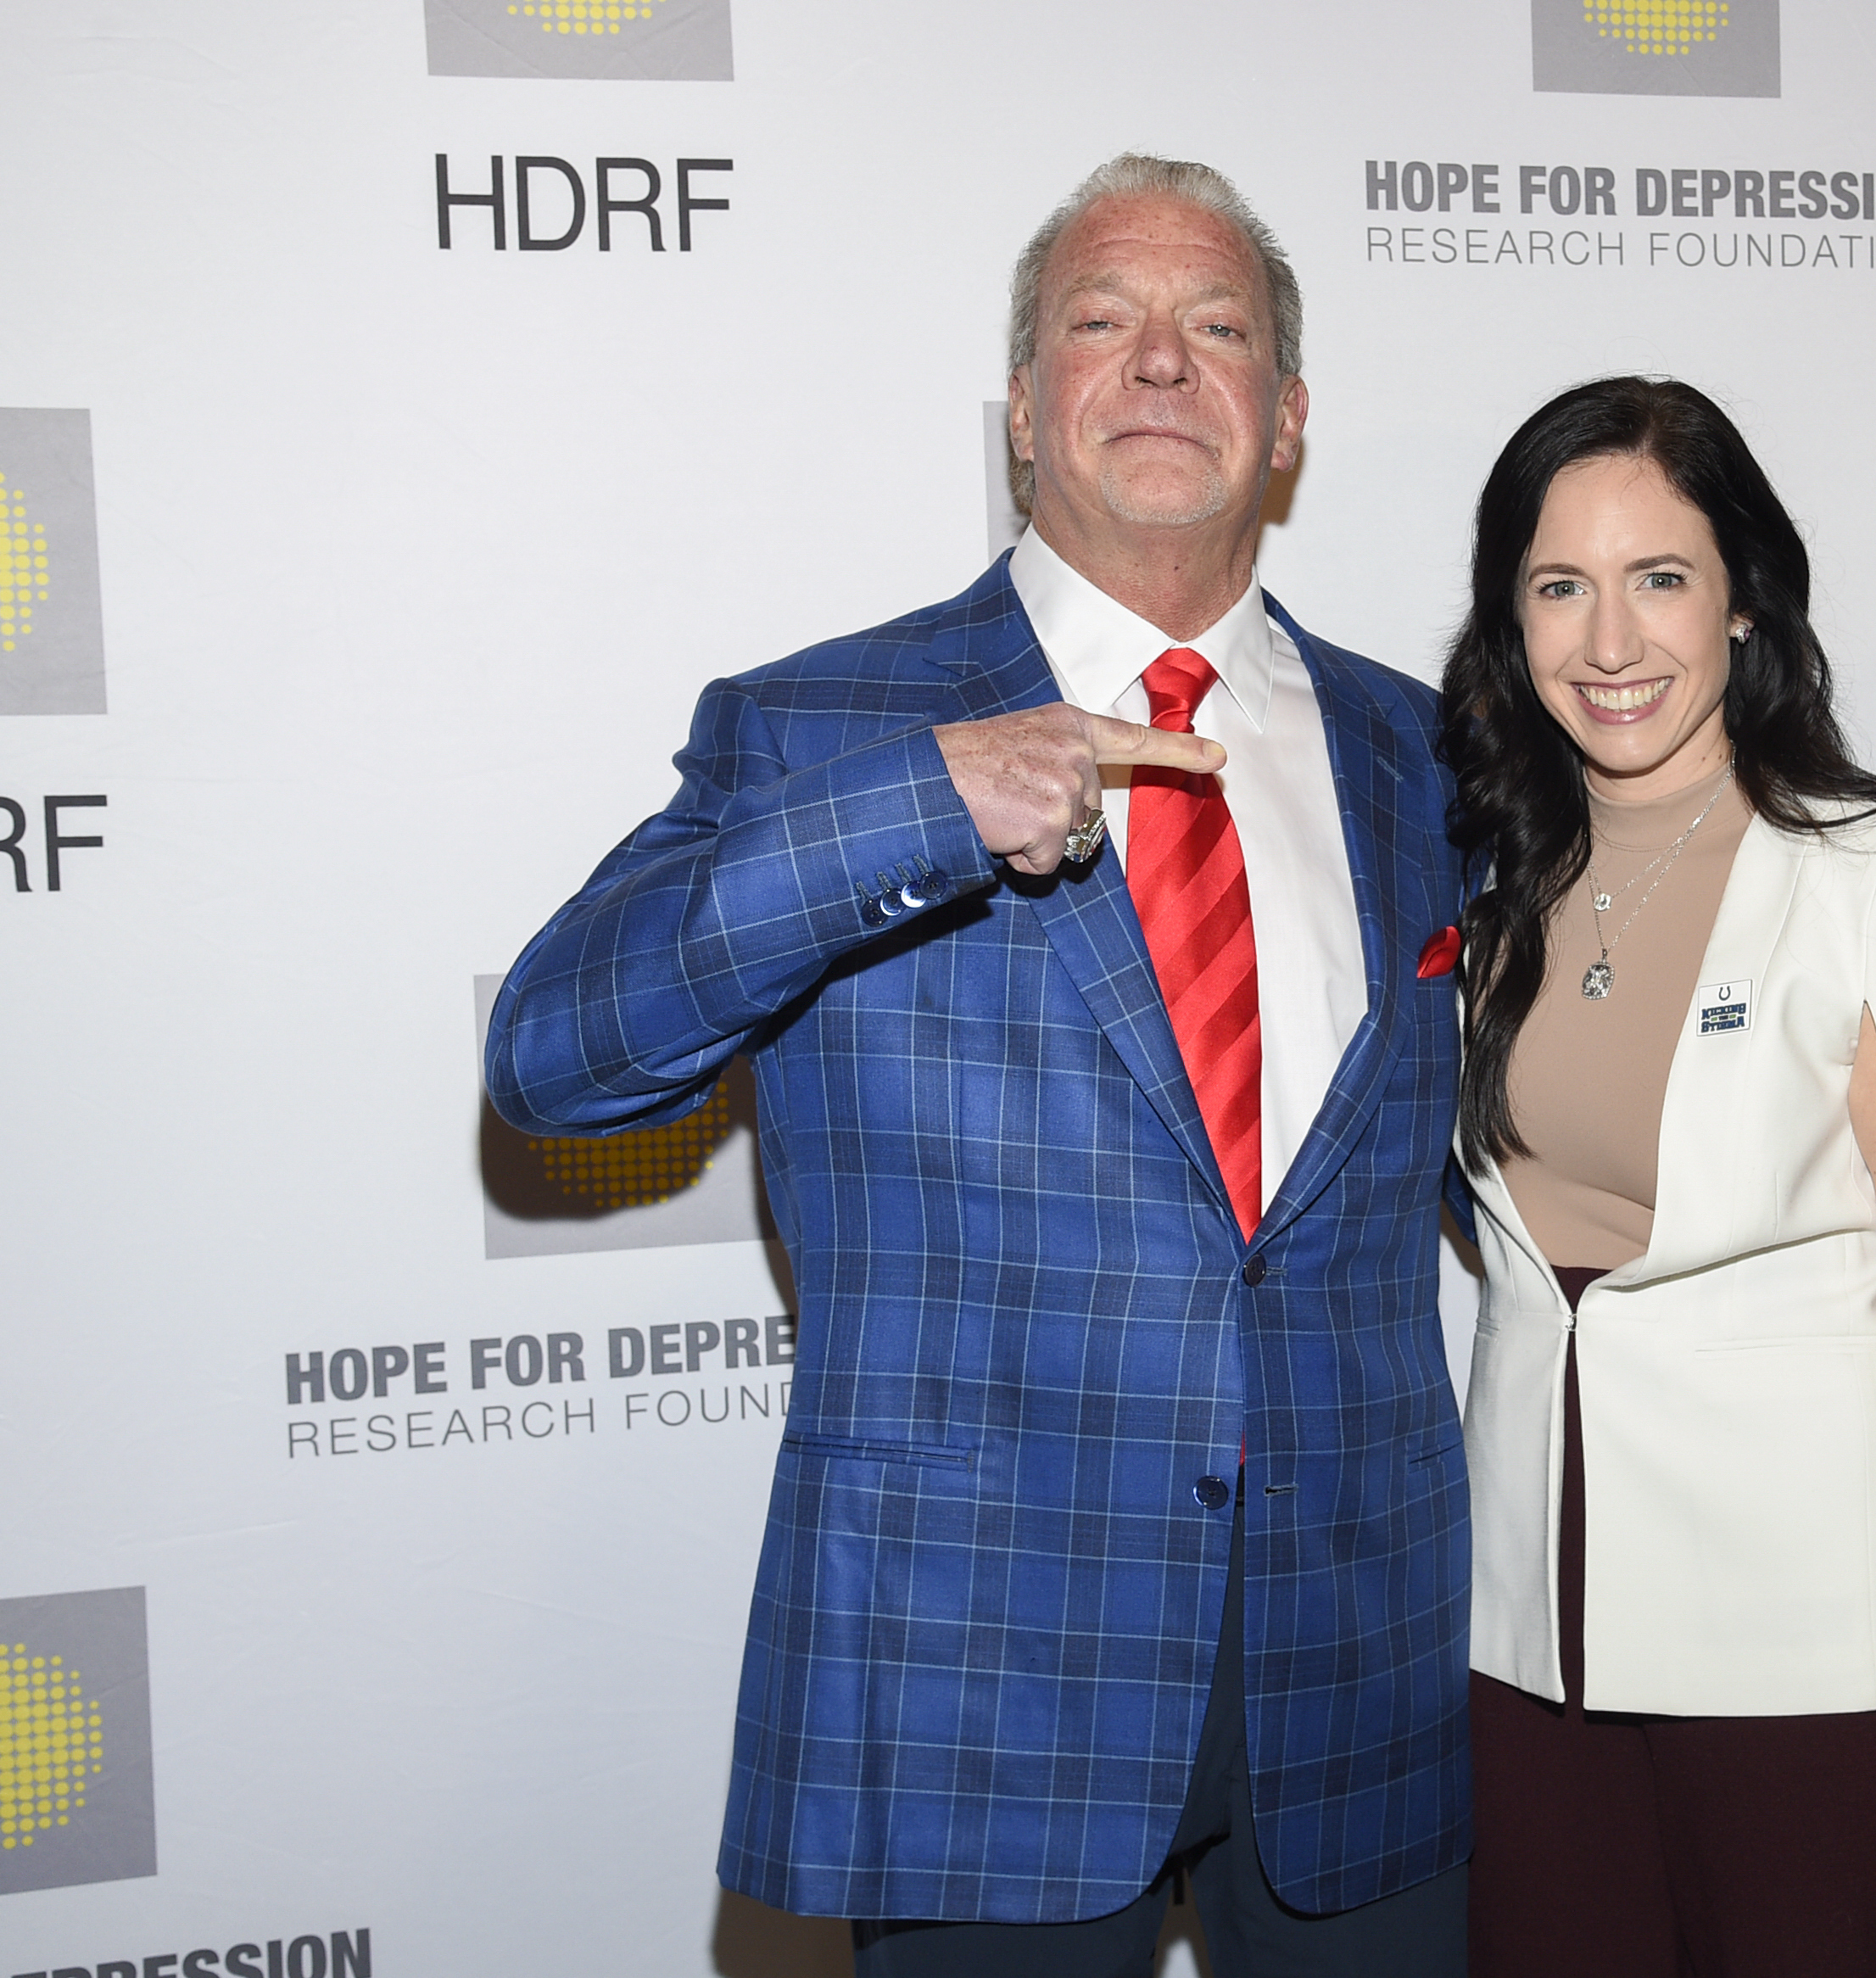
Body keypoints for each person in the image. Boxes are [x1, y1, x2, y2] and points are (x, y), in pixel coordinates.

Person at [485, 155, 1470, 1977]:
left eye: (1219, 327)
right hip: (980, 1695)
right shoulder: (825, 726)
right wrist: (917, 803)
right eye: (1102, 322)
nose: (1162, 362)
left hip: (1366, 1688)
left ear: (1291, 421)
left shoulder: (1428, 753)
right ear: (1024, 411)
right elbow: (553, 1054)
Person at [1438, 377, 1876, 1976]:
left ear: (1742, 607)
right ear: (1511, 624)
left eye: (1661, 578)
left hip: (1815, 1666)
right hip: (1528, 1656)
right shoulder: (1499, 901)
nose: (1609, 640)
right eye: (1557, 586)